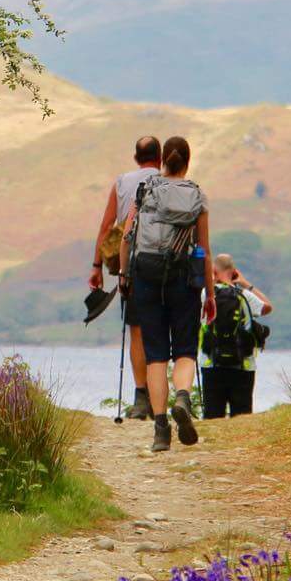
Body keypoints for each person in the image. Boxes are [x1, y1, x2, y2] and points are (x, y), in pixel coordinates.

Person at [125, 135, 212, 451]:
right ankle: (183, 398)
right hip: (182, 278)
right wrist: (211, 294)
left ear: (163, 161)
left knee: (156, 354)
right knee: (186, 349)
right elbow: (204, 249)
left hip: (146, 274)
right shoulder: (198, 197)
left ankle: (161, 430)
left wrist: (125, 277)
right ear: (187, 162)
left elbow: (127, 238)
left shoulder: (146, 191)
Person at [91, 135, 163, 419]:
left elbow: (106, 225)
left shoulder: (122, 183)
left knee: (137, 331)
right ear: (159, 158)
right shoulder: (172, 181)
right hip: (166, 264)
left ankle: (141, 397)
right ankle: (165, 395)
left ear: (136, 158)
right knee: (163, 327)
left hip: (131, 265)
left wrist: (96, 266)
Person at [200, 254, 271, 418]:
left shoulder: (206, 295)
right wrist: (246, 284)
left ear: (213, 271)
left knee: (212, 418)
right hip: (243, 367)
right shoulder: (245, 296)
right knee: (242, 418)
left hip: (211, 364)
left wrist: (211, 280)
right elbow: (268, 307)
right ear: (234, 272)